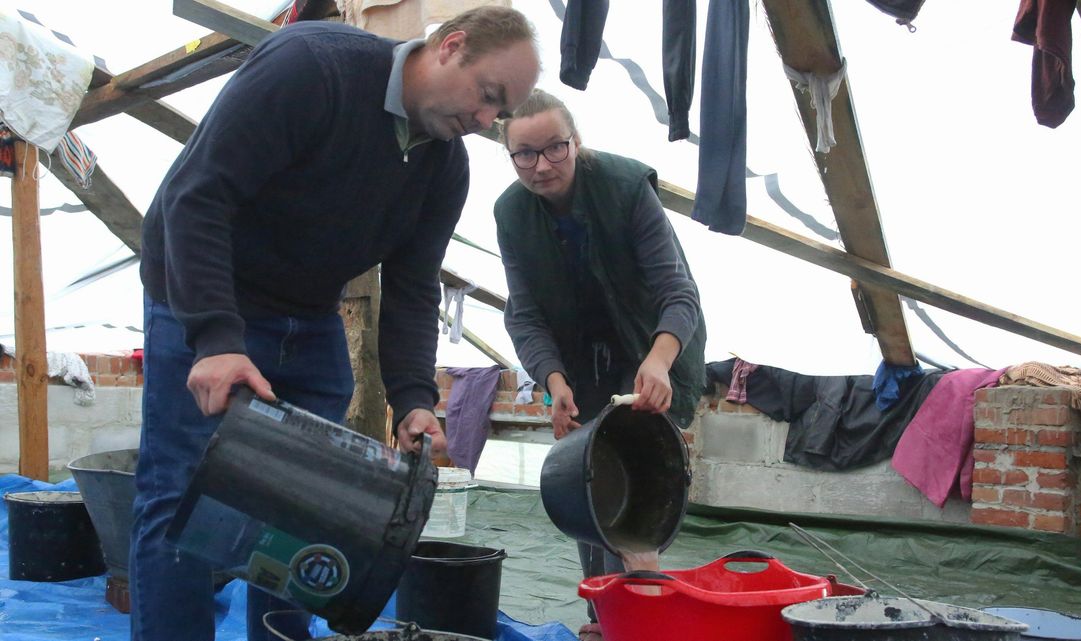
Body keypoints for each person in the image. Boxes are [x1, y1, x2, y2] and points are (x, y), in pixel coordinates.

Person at [130, 8, 539, 641]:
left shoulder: (445, 167)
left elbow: (412, 287)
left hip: (307, 314)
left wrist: (413, 399)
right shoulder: (312, 69)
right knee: (183, 497)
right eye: (487, 96)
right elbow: (199, 196)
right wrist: (215, 339)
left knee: (305, 506)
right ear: (450, 46)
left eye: (501, 113)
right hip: (209, 296)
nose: (487, 120)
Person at [493, 89, 707, 641]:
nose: (542, 166)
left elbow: (678, 292)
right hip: (580, 367)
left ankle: (640, 619)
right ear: (509, 154)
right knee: (586, 483)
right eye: (525, 154)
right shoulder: (511, 213)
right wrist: (553, 382)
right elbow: (525, 315)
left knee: (640, 485)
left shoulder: (625, 187)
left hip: (652, 354)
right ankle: (605, 617)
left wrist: (659, 362)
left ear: (576, 141)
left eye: (555, 148)